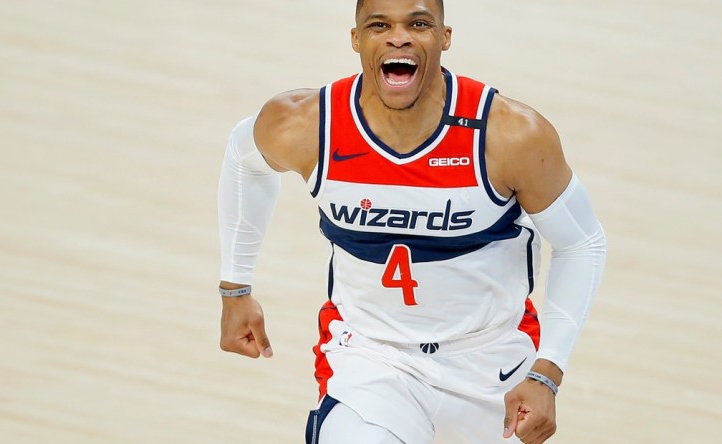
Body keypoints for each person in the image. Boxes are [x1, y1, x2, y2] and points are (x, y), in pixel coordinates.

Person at [217, 0, 606, 442]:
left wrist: (547, 371)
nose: (398, 37)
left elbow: (581, 242)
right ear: (356, 39)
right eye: (379, 24)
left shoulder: (509, 134)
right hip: (372, 360)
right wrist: (236, 287)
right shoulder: (310, 124)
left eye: (418, 24)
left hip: (492, 363)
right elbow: (243, 158)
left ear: (445, 37)